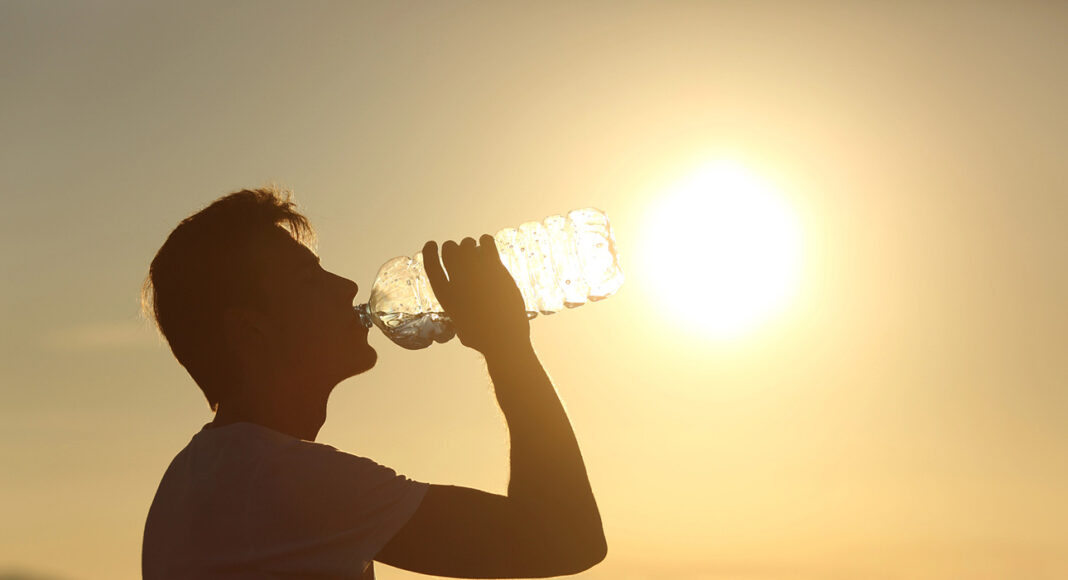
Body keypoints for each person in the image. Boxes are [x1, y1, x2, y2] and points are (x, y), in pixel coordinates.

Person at [140, 186, 607, 579]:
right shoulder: (278, 481)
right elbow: (564, 537)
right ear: (251, 331)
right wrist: (507, 346)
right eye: (309, 279)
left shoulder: (195, 481)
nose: (345, 285)